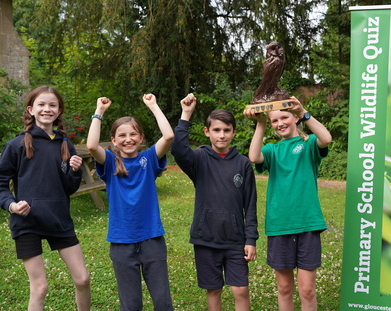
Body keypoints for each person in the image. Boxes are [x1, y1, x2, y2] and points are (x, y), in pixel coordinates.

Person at [0, 86, 91, 311]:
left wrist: (76, 171)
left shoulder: (65, 145)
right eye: (41, 104)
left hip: (58, 220)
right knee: (39, 288)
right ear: (31, 109)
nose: (47, 109)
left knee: (83, 279)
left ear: (59, 111)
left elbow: (69, 188)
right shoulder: (16, 145)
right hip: (27, 222)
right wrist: (11, 204)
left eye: (52, 105)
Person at [170, 93, 258, 311]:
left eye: (227, 130)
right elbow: (178, 150)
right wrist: (186, 114)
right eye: (217, 130)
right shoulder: (198, 159)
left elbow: (251, 204)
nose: (222, 135)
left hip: (236, 240)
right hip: (206, 238)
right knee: (214, 290)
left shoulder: (243, 164)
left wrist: (251, 239)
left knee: (241, 290)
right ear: (207, 132)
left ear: (234, 132)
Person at [86, 94, 174, 311]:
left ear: (141, 137)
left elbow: (169, 135)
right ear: (114, 140)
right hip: (121, 241)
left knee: (162, 302)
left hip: (152, 238)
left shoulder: (149, 159)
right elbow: (91, 145)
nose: (128, 139)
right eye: (122, 135)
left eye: (133, 134)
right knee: (131, 304)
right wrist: (99, 112)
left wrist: (153, 106)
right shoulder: (109, 162)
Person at [244, 96, 332, 311]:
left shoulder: (308, 143)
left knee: (307, 290)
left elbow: (326, 139)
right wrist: (261, 123)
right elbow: (253, 157)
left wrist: (304, 112)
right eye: (275, 120)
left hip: (307, 223)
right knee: (284, 288)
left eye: (284, 117)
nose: (280, 123)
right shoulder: (272, 150)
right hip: (279, 224)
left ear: (295, 118)